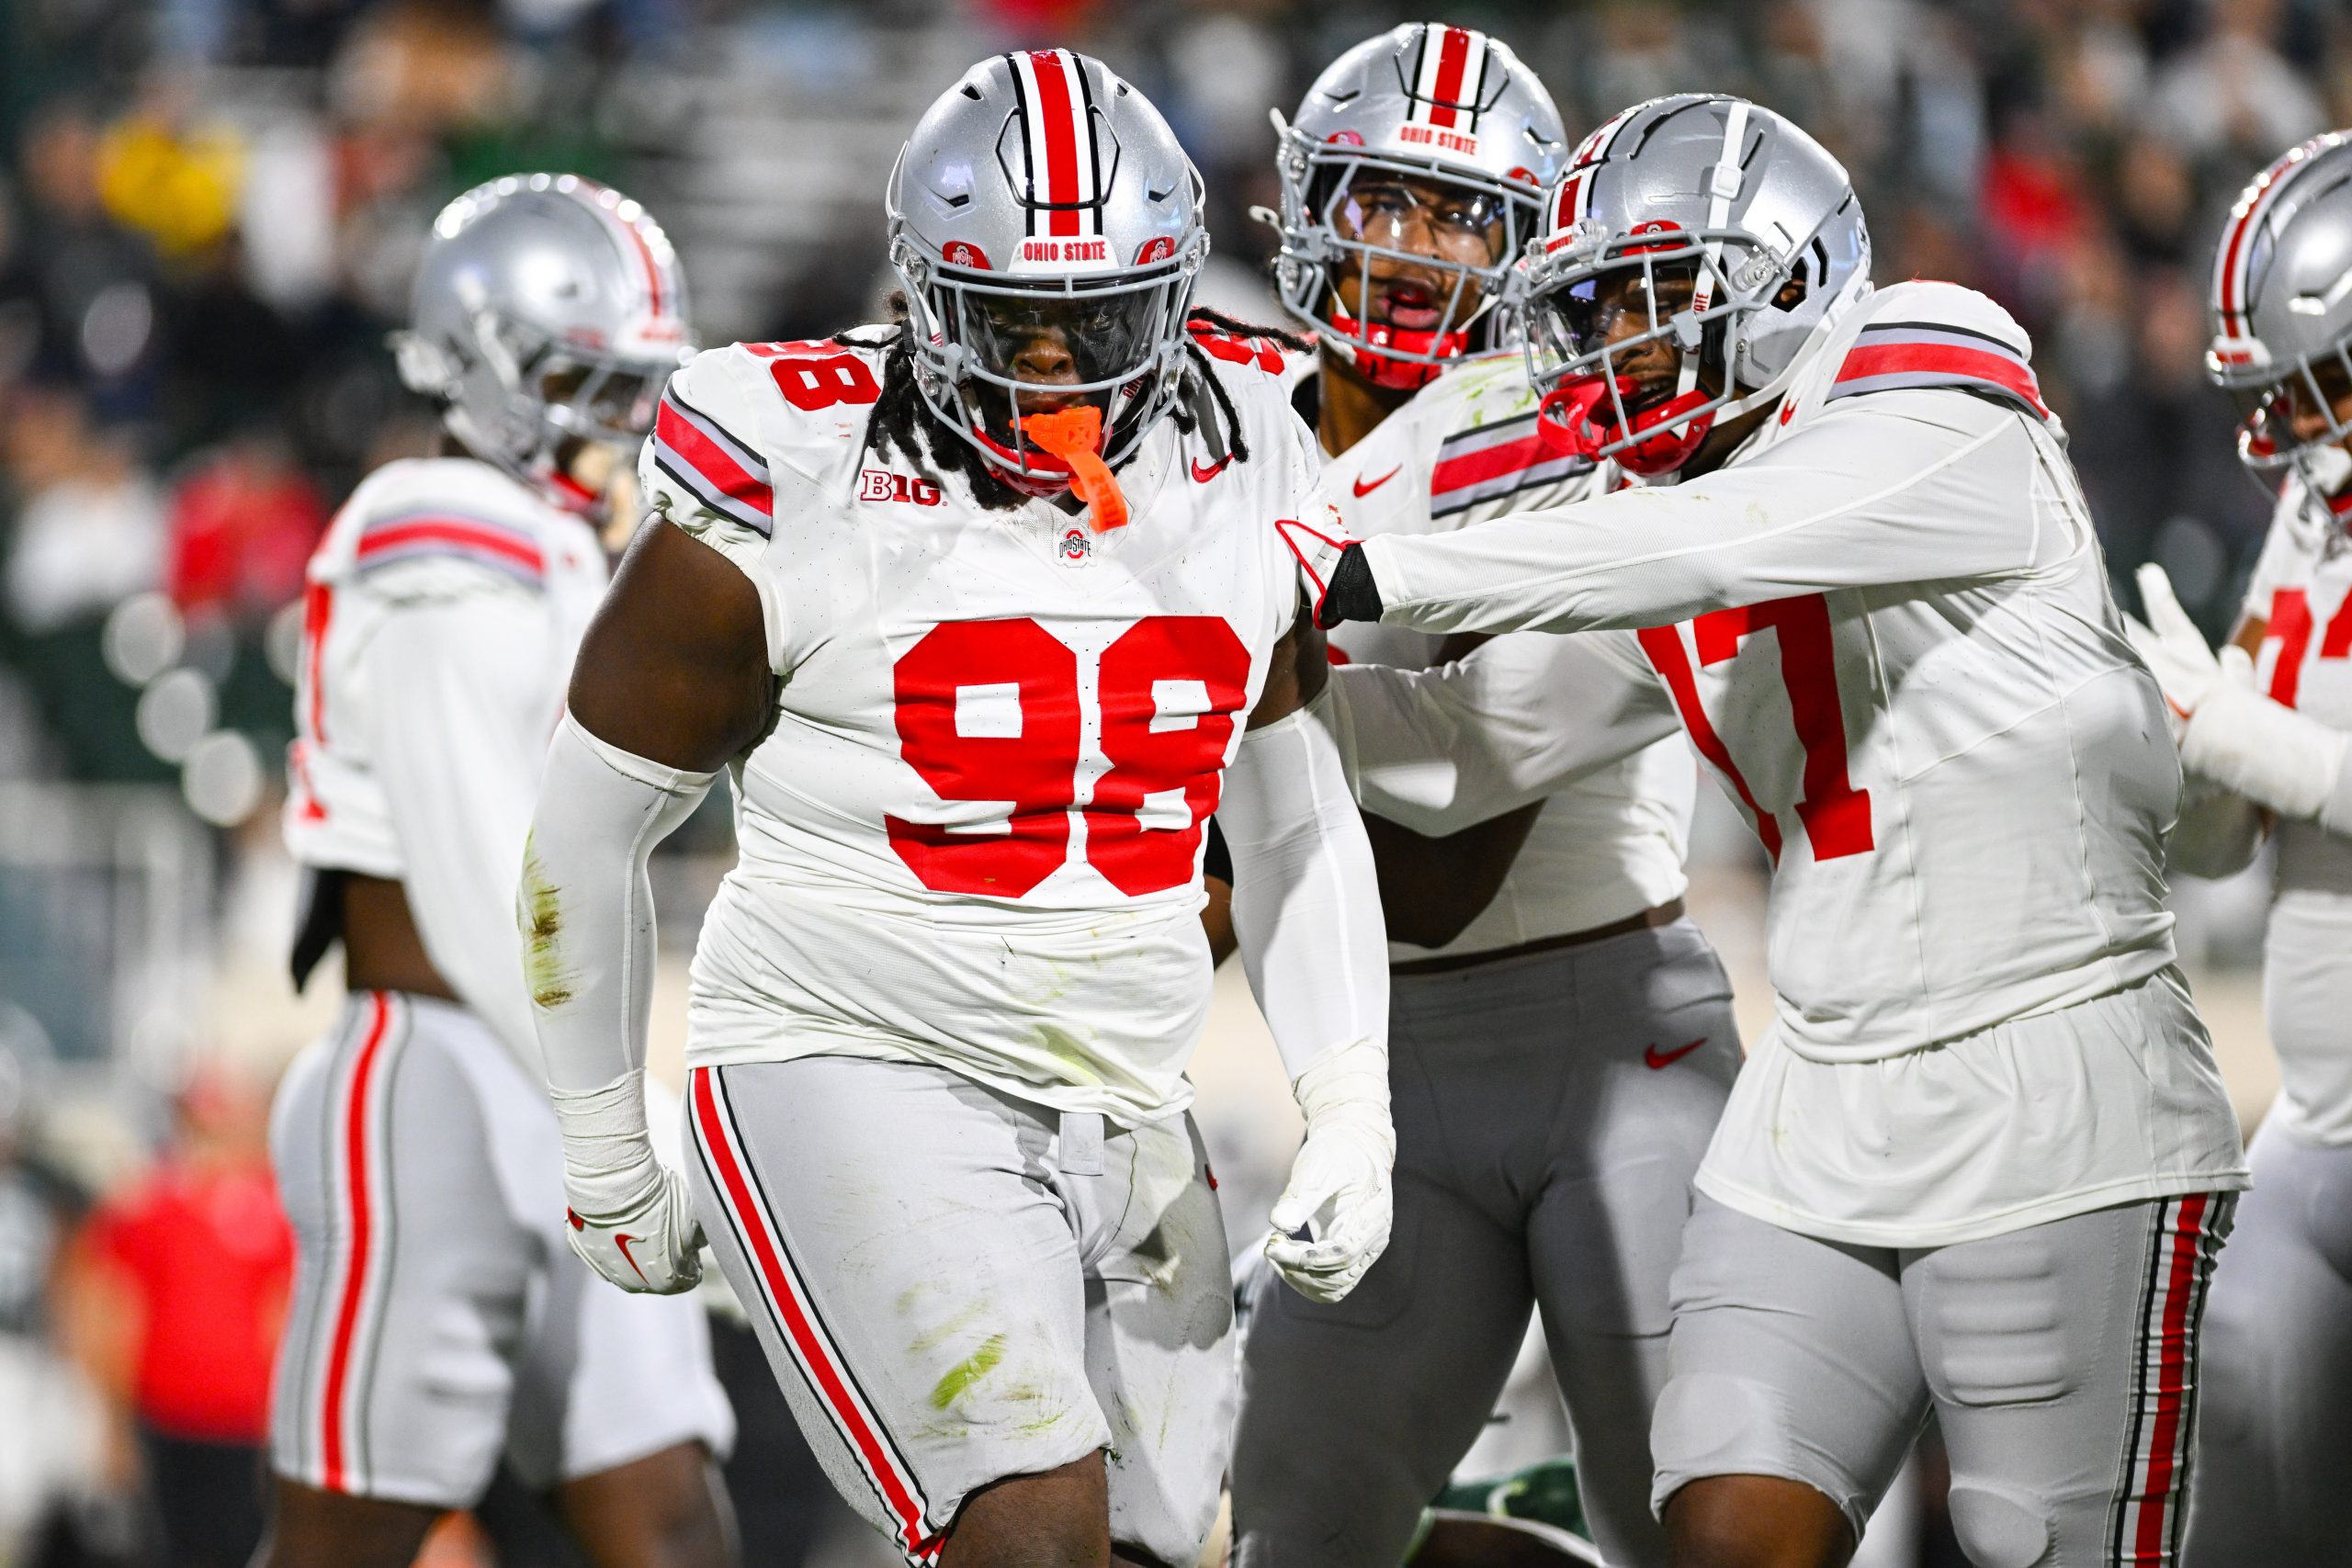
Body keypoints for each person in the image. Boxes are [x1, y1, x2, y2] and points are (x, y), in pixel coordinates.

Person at [1288, 93, 2248, 1568]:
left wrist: (1361, 564)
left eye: (1650, 299)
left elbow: (1699, 547)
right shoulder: (1668, 508)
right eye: (1591, 307)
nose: (1613, 344)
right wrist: (1237, 677)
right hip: (1815, 1096)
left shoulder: (1933, 397)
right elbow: (1467, 755)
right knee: (1718, 1538)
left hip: (2055, 1080)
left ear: (1789, 276)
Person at [515, 51, 1394, 1568]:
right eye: (1010, 319)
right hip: (852, 1058)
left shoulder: (1256, 448)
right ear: (921, 291)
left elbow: (1292, 808)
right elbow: (585, 831)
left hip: (1126, 1091)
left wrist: (1351, 1098)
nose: (1053, 364)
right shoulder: (792, 470)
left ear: (1178, 293)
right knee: (1029, 1532)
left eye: (1095, 319)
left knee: (1160, 1550)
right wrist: (603, 1130)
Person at [1227, 31, 1736, 1568]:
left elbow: (1447, 849)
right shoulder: (1231, 428)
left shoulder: (1572, 425)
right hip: (1374, 1070)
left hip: (1611, 1042)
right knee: (1296, 1535)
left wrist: (1207, 704)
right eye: (1387, 202)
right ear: (1313, 204)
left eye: (1463, 219)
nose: (1415, 254)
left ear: (1534, 249)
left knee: (1693, 1533)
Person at [263, 175, 735, 1568]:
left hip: (553, 1080)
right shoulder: (435, 522)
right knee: (341, 1546)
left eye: (636, 386)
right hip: (437, 1079)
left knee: (671, 1528)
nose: (620, 424)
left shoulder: (569, 550)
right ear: (480, 363)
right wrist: (626, 1110)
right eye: (583, 381)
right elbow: (482, 880)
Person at [2124, 128, 2352, 1568]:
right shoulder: (2316, 513)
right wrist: (2191, 760)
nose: (2287, 427)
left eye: (2313, 382)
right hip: (2320, 1129)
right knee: (2237, 1500)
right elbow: (2221, 853)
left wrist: (2259, 742)